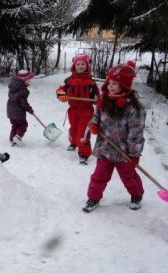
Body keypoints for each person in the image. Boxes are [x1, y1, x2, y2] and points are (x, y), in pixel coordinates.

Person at [83, 61, 146, 212]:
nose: (110, 86)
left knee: (128, 177)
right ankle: (93, 198)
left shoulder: (133, 107)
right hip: (105, 148)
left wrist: (134, 154)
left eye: (115, 83)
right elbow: (96, 116)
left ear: (124, 85)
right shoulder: (104, 101)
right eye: (109, 82)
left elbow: (136, 133)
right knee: (99, 176)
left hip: (124, 153)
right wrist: (94, 124)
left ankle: (136, 195)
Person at [56, 54, 99, 165]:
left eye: (83, 64)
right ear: (74, 66)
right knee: (74, 129)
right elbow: (61, 89)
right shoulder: (69, 80)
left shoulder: (91, 82)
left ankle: (84, 153)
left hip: (86, 111)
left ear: (87, 66)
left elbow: (97, 96)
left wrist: (95, 99)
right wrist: (61, 94)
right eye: (78, 64)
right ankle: (74, 143)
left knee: (83, 132)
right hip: (73, 110)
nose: (80, 66)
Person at [7, 69, 35, 146]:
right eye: (29, 80)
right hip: (18, 112)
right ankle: (18, 137)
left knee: (15, 125)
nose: (30, 81)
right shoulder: (23, 90)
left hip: (10, 110)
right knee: (23, 125)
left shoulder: (13, 87)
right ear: (24, 80)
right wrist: (29, 109)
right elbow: (23, 104)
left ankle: (12, 138)